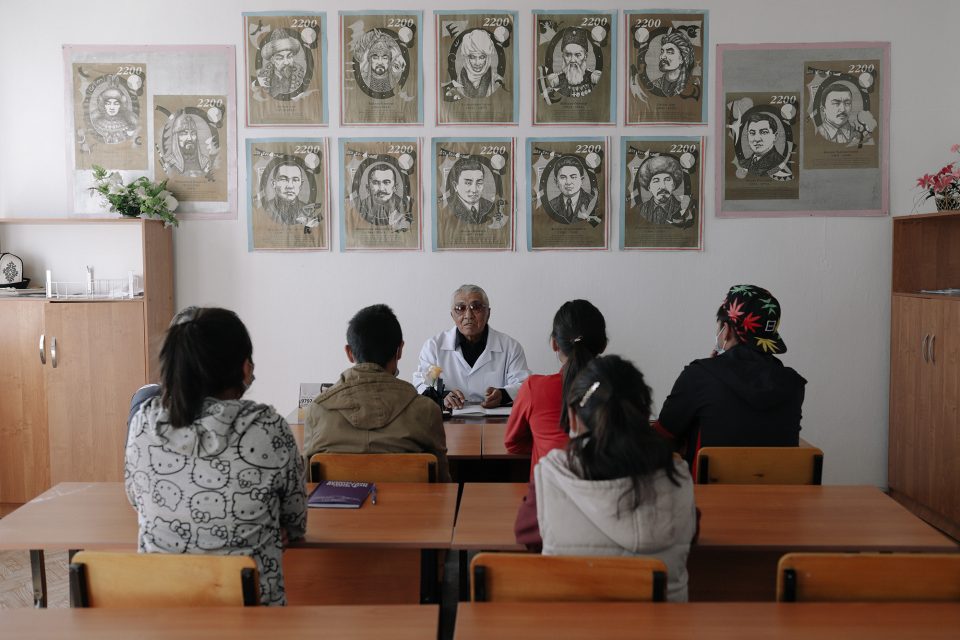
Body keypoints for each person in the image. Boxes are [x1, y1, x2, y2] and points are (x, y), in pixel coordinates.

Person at [125, 307, 306, 606]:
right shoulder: (268, 427)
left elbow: (137, 500)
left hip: (164, 613)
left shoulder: (144, 423)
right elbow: (296, 521)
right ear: (245, 369)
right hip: (253, 617)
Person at [515, 355, 697, 602]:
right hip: (660, 621)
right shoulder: (678, 476)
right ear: (645, 414)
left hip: (574, 618)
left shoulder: (552, 474)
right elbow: (691, 530)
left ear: (573, 418)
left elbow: (526, 534)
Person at [654, 284, 807, 472]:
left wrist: (707, 371)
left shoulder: (699, 375)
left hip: (709, 490)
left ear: (726, 330)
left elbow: (662, 434)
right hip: (781, 489)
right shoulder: (793, 384)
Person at [304, 304, 450, 482]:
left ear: (349, 353)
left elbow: (307, 482)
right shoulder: (426, 410)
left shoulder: (318, 410)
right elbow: (442, 483)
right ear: (399, 350)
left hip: (339, 502)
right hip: (406, 501)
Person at [504, 299, 607, 479]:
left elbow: (513, 443)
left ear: (554, 343)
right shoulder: (622, 388)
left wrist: (544, 442)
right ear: (603, 345)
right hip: (608, 493)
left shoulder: (534, 388)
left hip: (549, 492)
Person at [414, 284, 530, 409]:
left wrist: (503, 395)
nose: (468, 315)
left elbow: (523, 385)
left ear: (488, 313)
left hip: (496, 417)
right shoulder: (433, 346)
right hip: (450, 417)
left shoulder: (510, 347)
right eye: (460, 308)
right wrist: (443, 396)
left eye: (476, 307)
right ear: (452, 315)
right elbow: (420, 383)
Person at [266, 161, 320, 228]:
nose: (290, 186)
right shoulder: (266, 208)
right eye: (283, 179)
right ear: (273, 183)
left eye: (295, 180)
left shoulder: (309, 211)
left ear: (301, 184)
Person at [257, 28, 306, 98]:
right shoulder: (262, 77)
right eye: (280, 58)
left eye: (289, 56)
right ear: (272, 60)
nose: (286, 62)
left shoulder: (302, 76)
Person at [546, 157, 597, 225]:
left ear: (581, 180)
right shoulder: (550, 205)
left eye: (573, 177)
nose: (568, 182)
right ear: (556, 182)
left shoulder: (593, 202)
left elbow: (596, 226)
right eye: (563, 177)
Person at [635, 155, 684, 225]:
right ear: (649, 187)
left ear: (674, 185)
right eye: (656, 181)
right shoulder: (641, 210)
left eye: (667, 180)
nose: (662, 186)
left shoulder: (682, 209)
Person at [358, 162, 408, 229]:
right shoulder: (360, 207)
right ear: (368, 188)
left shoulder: (406, 206)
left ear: (395, 187)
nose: (381, 188)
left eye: (386, 182)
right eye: (375, 182)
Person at [161, 113, 213, 177]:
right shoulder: (170, 162)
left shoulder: (205, 163)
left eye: (193, 133)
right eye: (184, 134)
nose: (189, 138)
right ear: (176, 138)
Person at [550, 28, 597, 98]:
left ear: (585, 56)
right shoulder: (555, 82)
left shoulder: (593, 80)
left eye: (578, 55)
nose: (572, 60)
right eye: (568, 55)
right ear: (563, 56)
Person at [89, 78, 138, 144]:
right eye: (108, 104)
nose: (112, 107)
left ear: (121, 105)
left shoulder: (128, 122)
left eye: (116, 104)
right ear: (103, 105)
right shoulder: (96, 122)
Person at [449, 157, 494, 224]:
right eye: (468, 183)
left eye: (479, 182)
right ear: (455, 186)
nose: (474, 190)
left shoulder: (490, 206)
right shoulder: (449, 208)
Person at [356, 30, 403, 94]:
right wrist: (370, 44)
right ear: (370, 60)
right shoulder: (363, 79)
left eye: (385, 58)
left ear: (389, 60)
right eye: (375, 58)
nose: (380, 62)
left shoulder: (396, 81)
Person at [652, 30, 695, 97]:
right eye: (662, 52)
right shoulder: (654, 85)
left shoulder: (690, 85)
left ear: (682, 59)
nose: (662, 56)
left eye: (669, 52)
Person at [458, 29, 499, 98]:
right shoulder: (456, 82)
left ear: (487, 58)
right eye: (472, 57)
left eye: (482, 57)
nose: (477, 63)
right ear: (466, 58)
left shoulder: (497, 82)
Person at [744, 112, 786, 177]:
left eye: (764, 132)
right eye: (752, 133)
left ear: (775, 136)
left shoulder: (782, 163)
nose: (757, 139)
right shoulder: (742, 163)